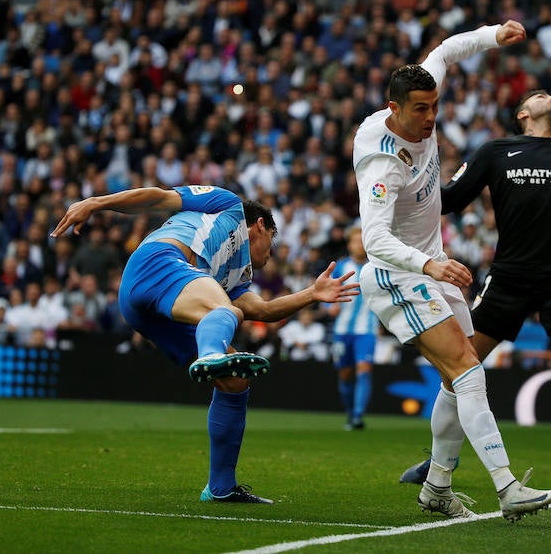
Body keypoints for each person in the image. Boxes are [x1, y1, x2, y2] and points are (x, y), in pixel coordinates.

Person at [353, 20, 551, 521]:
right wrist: (432, 263)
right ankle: (506, 487)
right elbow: (374, 239)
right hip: (395, 274)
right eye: (419, 110)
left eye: (434, 107)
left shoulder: (421, 88)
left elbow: (446, 49)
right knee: (467, 371)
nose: (430, 118)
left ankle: (437, 488)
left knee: (458, 377)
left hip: (429, 268)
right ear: (392, 108)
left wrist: (495, 34)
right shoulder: (382, 164)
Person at [50, 184, 359, 503]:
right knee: (225, 310)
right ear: (261, 226)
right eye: (272, 241)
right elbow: (158, 197)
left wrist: (311, 294)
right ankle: (210, 354)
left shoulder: (237, 276)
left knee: (235, 380)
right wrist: (96, 203)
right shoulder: (229, 205)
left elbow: (263, 311)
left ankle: (221, 488)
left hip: (153, 311)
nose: (271, 253)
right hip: (157, 261)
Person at [399, 90, 551, 497]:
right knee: (459, 369)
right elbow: (448, 200)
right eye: (539, 95)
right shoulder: (495, 152)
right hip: (509, 280)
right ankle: (438, 465)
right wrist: (412, 168)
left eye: (550, 94)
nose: (550, 95)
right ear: (523, 114)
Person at [326, 225, 381, 431]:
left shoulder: (376, 268)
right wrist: (329, 306)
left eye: (362, 241)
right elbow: (325, 292)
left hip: (366, 330)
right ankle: (350, 414)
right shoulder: (340, 267)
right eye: (356, 241)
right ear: (349, 244)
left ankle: (358, 416)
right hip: (342, 331)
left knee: (364, 370)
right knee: (345, 375)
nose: (359, 245)